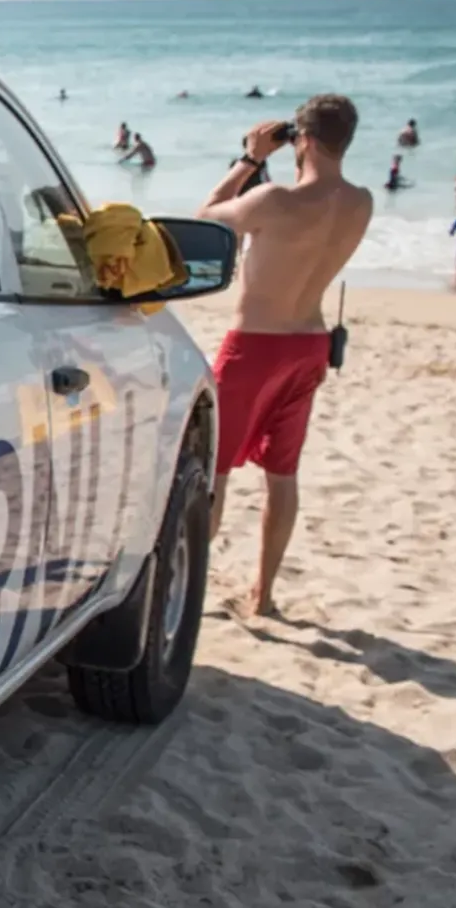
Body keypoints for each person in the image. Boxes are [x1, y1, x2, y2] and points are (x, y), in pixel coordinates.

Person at [194, 95, 373, 618]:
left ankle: (194, 588)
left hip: (255, 344)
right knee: (283, 473)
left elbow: (204, 221)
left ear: (306, 140)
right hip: (310, 344)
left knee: (216, 469)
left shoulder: (273, 201)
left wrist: (248, 160)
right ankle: (263, 594)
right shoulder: (361, 201)